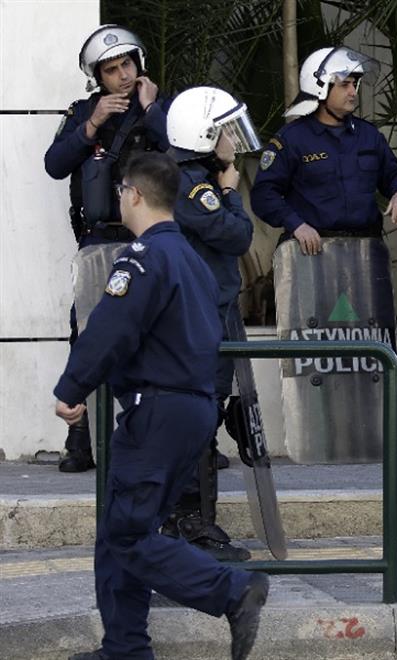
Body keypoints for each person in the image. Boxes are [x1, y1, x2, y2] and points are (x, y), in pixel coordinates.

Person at [53, 153, 268, 660]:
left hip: (157, 412)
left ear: (133, 194)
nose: (119, 199)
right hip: (190, 408)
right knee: (121, 533)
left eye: (121, 191)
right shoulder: (192, 259)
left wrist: (72, 388)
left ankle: (232, 591)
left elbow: (110, 328)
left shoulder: (143, 257)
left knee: (127, 536)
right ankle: (124, 649)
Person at [44, 23, 169, 473]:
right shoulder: (83, 112)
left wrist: (151, 110)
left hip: (151, 240)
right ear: (98, 77)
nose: (122, 75)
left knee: (159, 333)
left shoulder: (159, 107)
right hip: (99, 240)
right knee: (87, 335)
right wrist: (93, 124)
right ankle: (78, 437)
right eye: (111, 69)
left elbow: (183, 154)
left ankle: (175, 438)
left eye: (127, 65)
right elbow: (54, 164)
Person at [162, 86, 261, 561]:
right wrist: (228, 191)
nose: (232, 141)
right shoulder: (194, 187)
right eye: (225, 131)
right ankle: (191, 524)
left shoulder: (191, 177)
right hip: (200, 317)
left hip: (211, 311)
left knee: (206, 416)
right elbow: (237, 236)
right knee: (198, 417)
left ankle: (191, 522)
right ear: (204, 135)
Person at [251, 46, 397, 248]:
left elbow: (395, 173)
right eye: (344, 85)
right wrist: (296, 225)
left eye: (354, 84)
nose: (353, 92)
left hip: (365, 250)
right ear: (320, 88)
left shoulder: (368, 135)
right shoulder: (291, 139)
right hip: (312, 252)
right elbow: (264, 194)